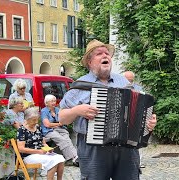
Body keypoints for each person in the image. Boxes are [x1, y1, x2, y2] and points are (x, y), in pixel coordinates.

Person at [58, 39, 157, 180]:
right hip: (93, 150)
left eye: (107, 53)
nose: (105, 56)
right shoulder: (80, 85)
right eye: (99, 53)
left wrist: (149, 122)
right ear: (89, 62)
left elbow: (143, 107)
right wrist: (77, 110)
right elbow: (61, 118)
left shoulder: (124, 82)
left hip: (126, 148)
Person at [17, 107, 65, 179]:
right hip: (28, 156)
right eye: (34, 120)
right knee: (53, 161)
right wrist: (38, 151)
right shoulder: (22, 130)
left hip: (41, 153)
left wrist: (48, 148)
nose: (36, 122)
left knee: (61, 158)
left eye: (37, 119)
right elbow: (21, 149)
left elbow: (43, 142)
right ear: (27, 119)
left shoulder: (38, 127)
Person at [40, 94, 79, 167]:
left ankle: (75, 157)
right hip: (49, 131)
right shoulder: (44, 111)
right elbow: (47, 124)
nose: (54, 103)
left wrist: (60, 122)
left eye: (54, 101)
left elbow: (62, 120)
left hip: (59, 128)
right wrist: (59, 123)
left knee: (67, 138)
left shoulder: (57, 110)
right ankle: (70, 158)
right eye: (52, 101)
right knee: (61, 139)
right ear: (47, 103)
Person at [123, 71, 145, 170]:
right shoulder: (120, 87)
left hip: (136, 117)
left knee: (138, 138)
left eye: (131, 80)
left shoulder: (139, 89)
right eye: (128, 80)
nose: (129, 82)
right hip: (123, 118)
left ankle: (138, 162)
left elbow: (144, 101)